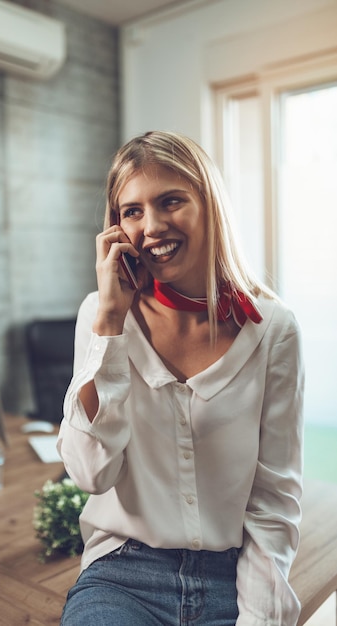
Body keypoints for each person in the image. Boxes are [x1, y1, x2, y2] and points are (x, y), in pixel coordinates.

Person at [57, 130, 304, 626]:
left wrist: (259, 617)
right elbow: (90, 473)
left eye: (171, 201)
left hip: (231, 576)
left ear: (209, 205)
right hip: (124, 573)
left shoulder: (273, 329)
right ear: (115, 227)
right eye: (132, 211)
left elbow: (274, 500)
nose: (151, 226)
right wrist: (108, 323)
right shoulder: (100, 316)